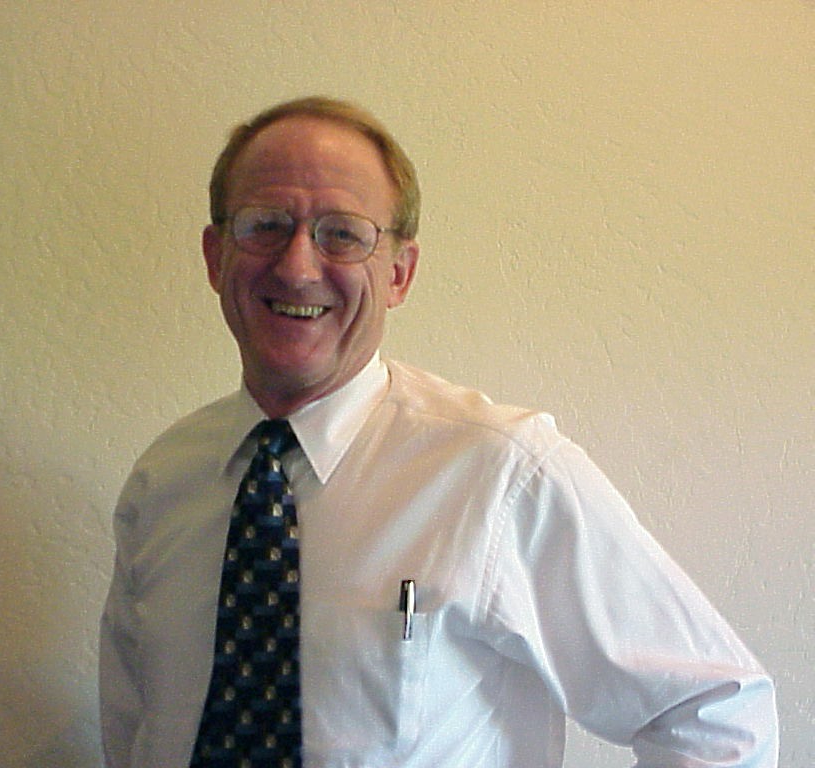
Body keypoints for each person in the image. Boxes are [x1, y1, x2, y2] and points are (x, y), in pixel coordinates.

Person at [99, 96, 778, 767]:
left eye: (342, 233)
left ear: (398, 272)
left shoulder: (500, 472)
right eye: (266, 225)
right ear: (216, 256)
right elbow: (133, 731)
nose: (298, 266)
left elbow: (719, 712)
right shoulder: (165, 480)